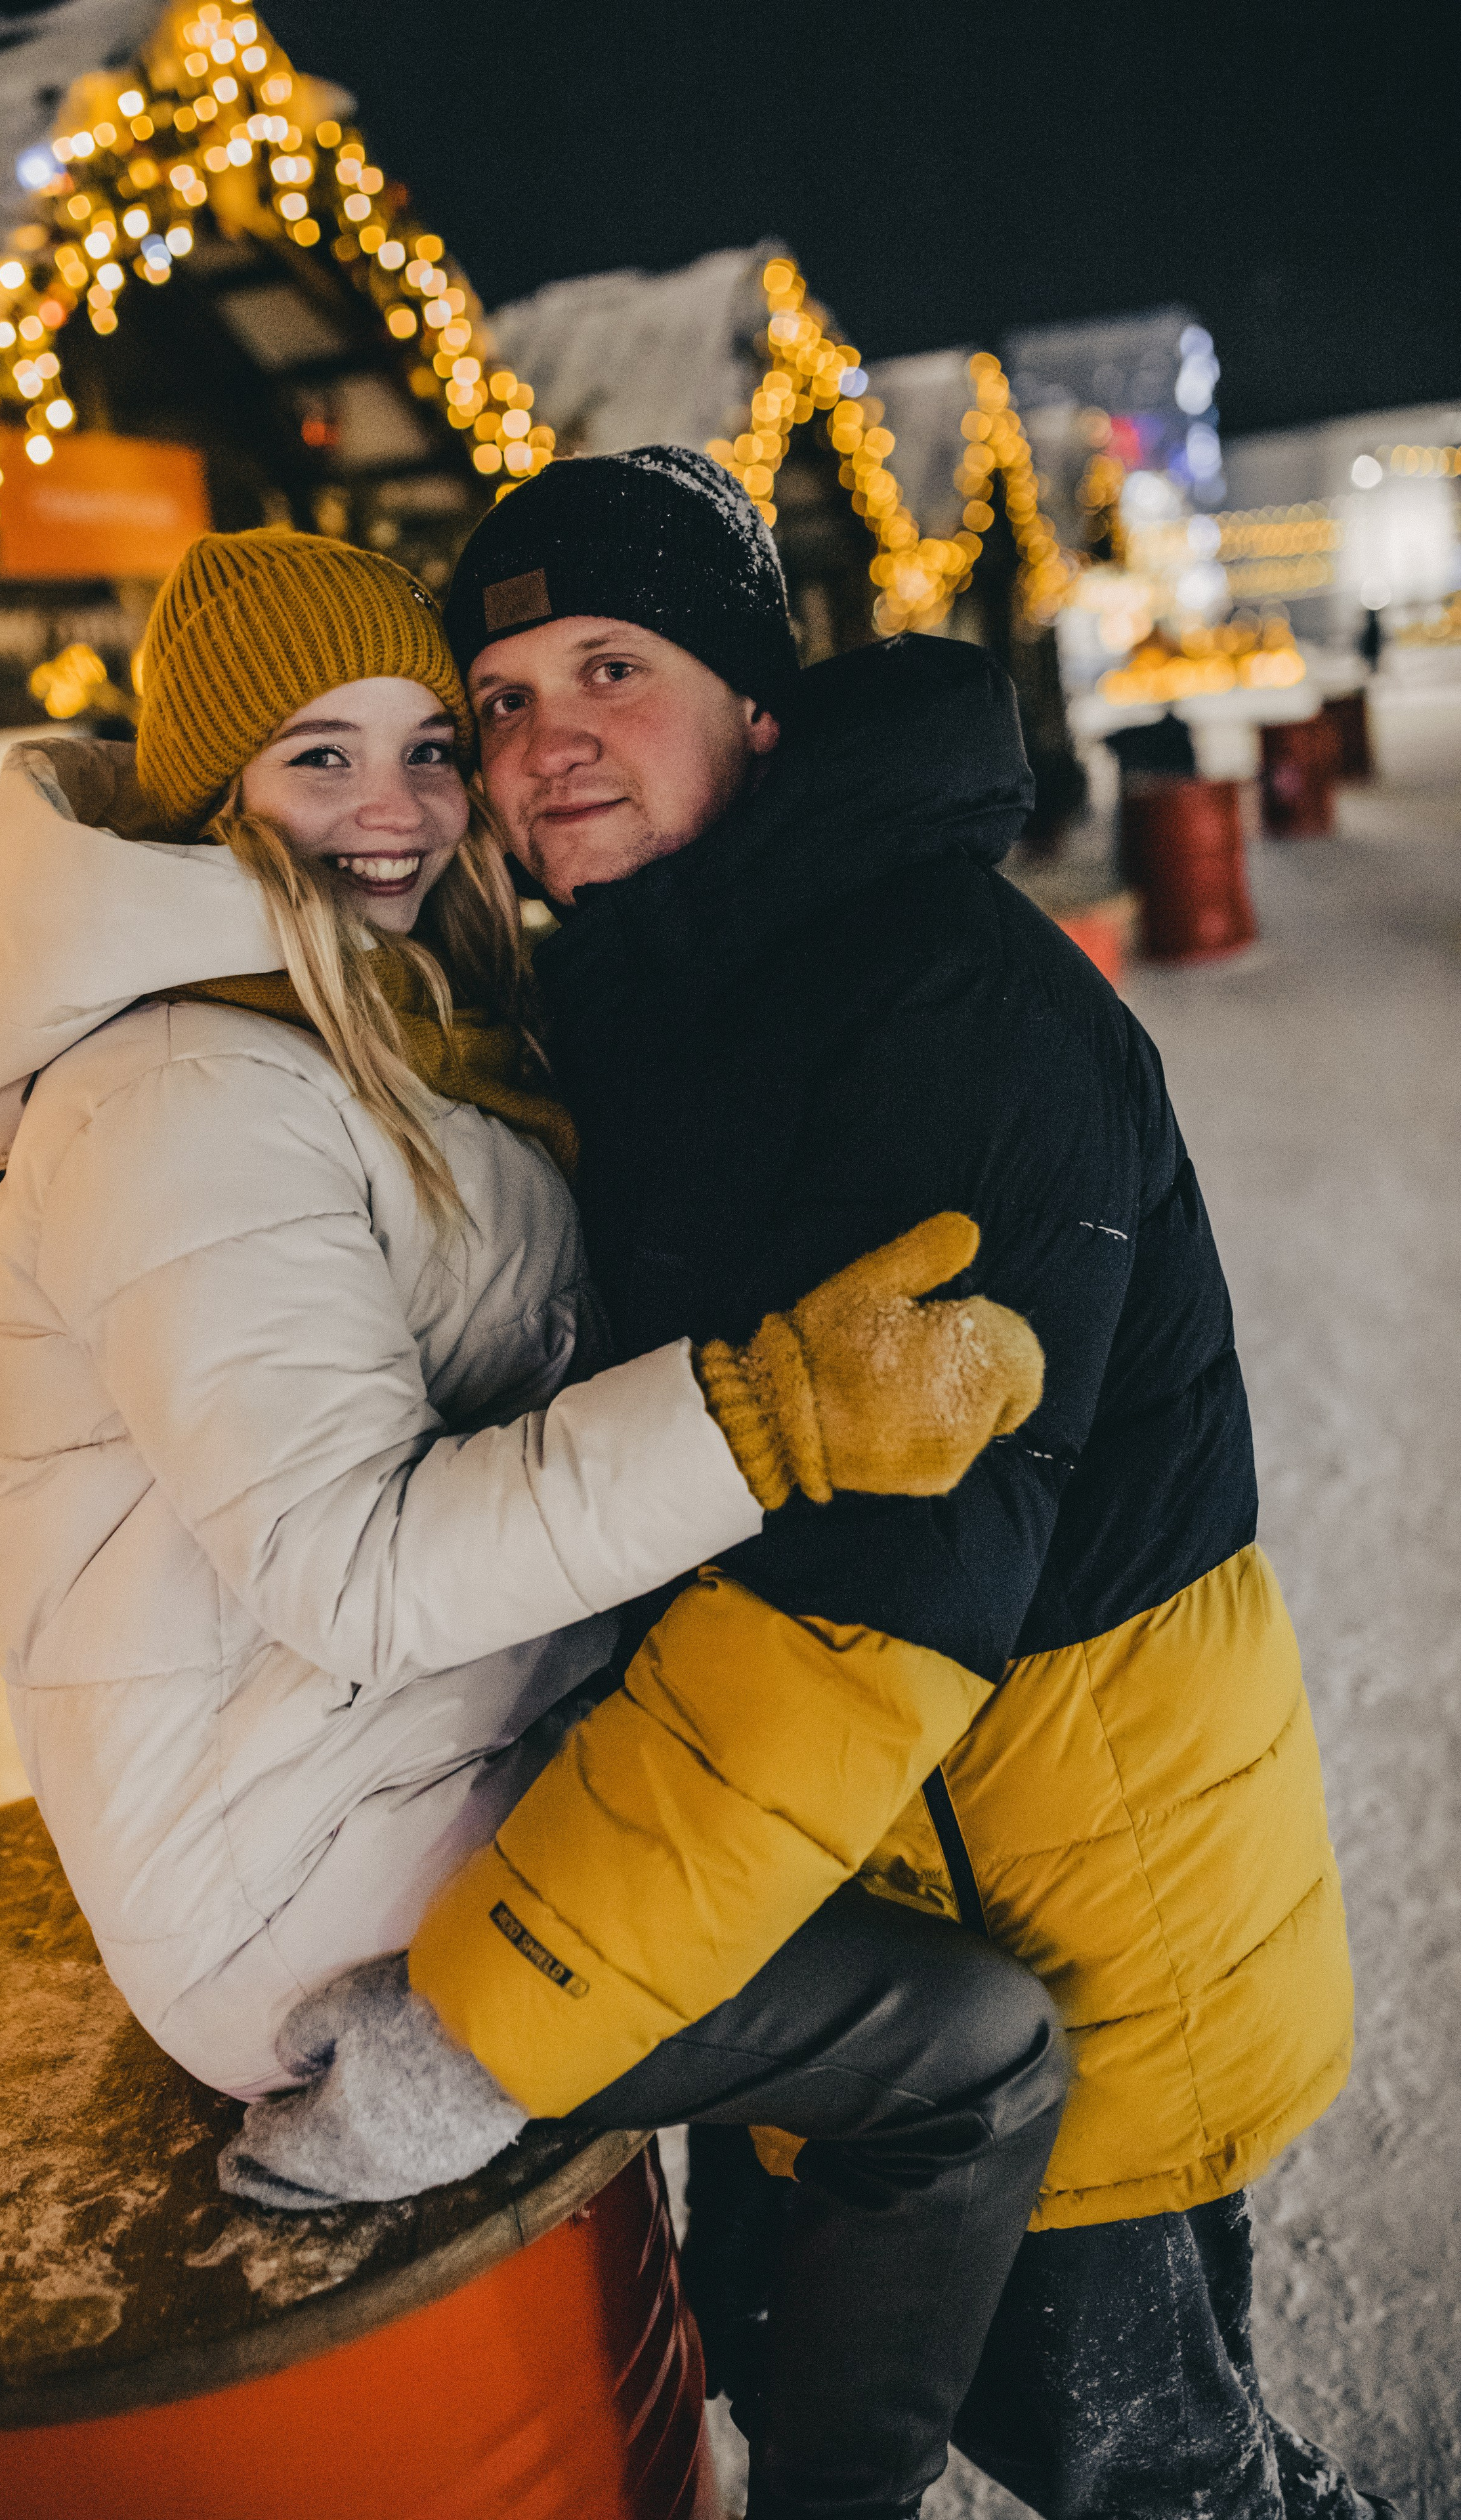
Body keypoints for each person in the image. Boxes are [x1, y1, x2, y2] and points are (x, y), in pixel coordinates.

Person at [230, 455, 1389, 2520]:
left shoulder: (944, 1013)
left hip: (1063, 1895)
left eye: (611, 665)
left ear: (759, 711)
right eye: (496, 697)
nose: (539, 738)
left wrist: (477, 2034)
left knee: (1144, 2466)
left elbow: (858, 1613)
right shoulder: (676, 992)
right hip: (860, 1883)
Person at [0, 527, 1043, 2143]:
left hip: (406, 1766)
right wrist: (761, 1419)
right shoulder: (185, 1095)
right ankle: (886, 2412)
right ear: (213, 793)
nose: (400, 811)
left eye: (431, 748)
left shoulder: (374, 1016)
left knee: (874, 1826)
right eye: (322, 757)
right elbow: (355, 1569)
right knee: (972, 2041)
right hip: (303, 1897)